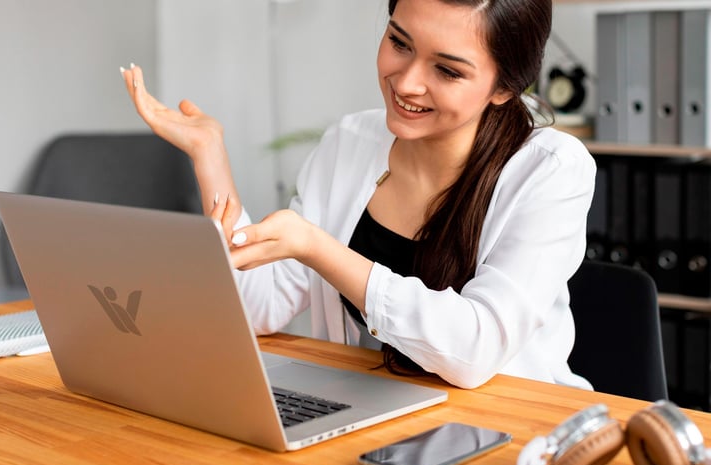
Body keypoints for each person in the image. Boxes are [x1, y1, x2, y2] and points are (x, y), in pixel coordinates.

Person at [120, 0, 596, 390]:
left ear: (504, 88)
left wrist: (318, 249)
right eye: (399, 43)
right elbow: (258, 306)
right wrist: (209, 155)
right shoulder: (350, 142)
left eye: (447, 71)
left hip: (512, 434)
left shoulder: (551, 171)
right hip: (370, 416)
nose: (407, 82)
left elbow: (474, 350)